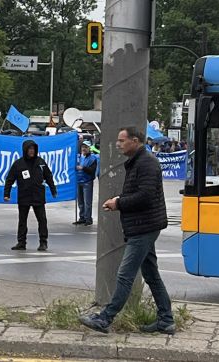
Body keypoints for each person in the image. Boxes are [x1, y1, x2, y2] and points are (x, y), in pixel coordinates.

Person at [80, 127, 174, 335]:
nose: (118, 144)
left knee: (125, 274)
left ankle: (105, 318)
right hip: (143, 224)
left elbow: (146, 196)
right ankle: (166, 319)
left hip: (145, 226)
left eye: (122, 141)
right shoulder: (138, 162)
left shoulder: (147, 163)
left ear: (135, 140)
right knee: (151, 274)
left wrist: (118, 202)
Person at [4, 139, 57, 251]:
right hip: (24, 196)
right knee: (22, 221)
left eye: (33, 149)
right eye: (29, 149)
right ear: (25, 150)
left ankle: (43, 242)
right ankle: (21, 242)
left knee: (42, 220)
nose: (31, 151)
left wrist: (53, 190)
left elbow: (48, 176)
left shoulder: (41, 162)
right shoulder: (18, 164)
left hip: (38, 196)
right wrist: (6, 194)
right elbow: (10, 179)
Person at [74, 140, 99, 226]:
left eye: (86, 147)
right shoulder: (78, 157)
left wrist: (83, 168)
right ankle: (82, 217)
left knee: (87, 202)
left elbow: (92, 171)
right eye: (83, 147)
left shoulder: (93, 158)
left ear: (89, 148)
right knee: (80, 202)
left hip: (87, 182)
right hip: (79, 181)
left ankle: (88, 219)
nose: (84, 149)